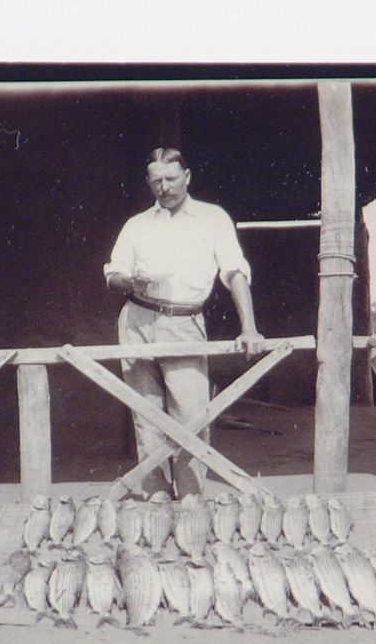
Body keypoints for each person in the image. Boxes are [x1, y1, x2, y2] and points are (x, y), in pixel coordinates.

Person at [103, 147, 264, 497]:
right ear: (148, 182)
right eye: (156, 180)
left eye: (171, 179)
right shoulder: (138, 225)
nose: (164, 187)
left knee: (192, 418)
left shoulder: (213, 218)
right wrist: (130, 282)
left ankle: (191, 499)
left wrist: (248, 327)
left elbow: (234, 271)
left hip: (185, 321)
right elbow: (113, 273)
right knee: (146, 419)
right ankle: (156, 499)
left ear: (187, 177)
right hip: (137, 321)